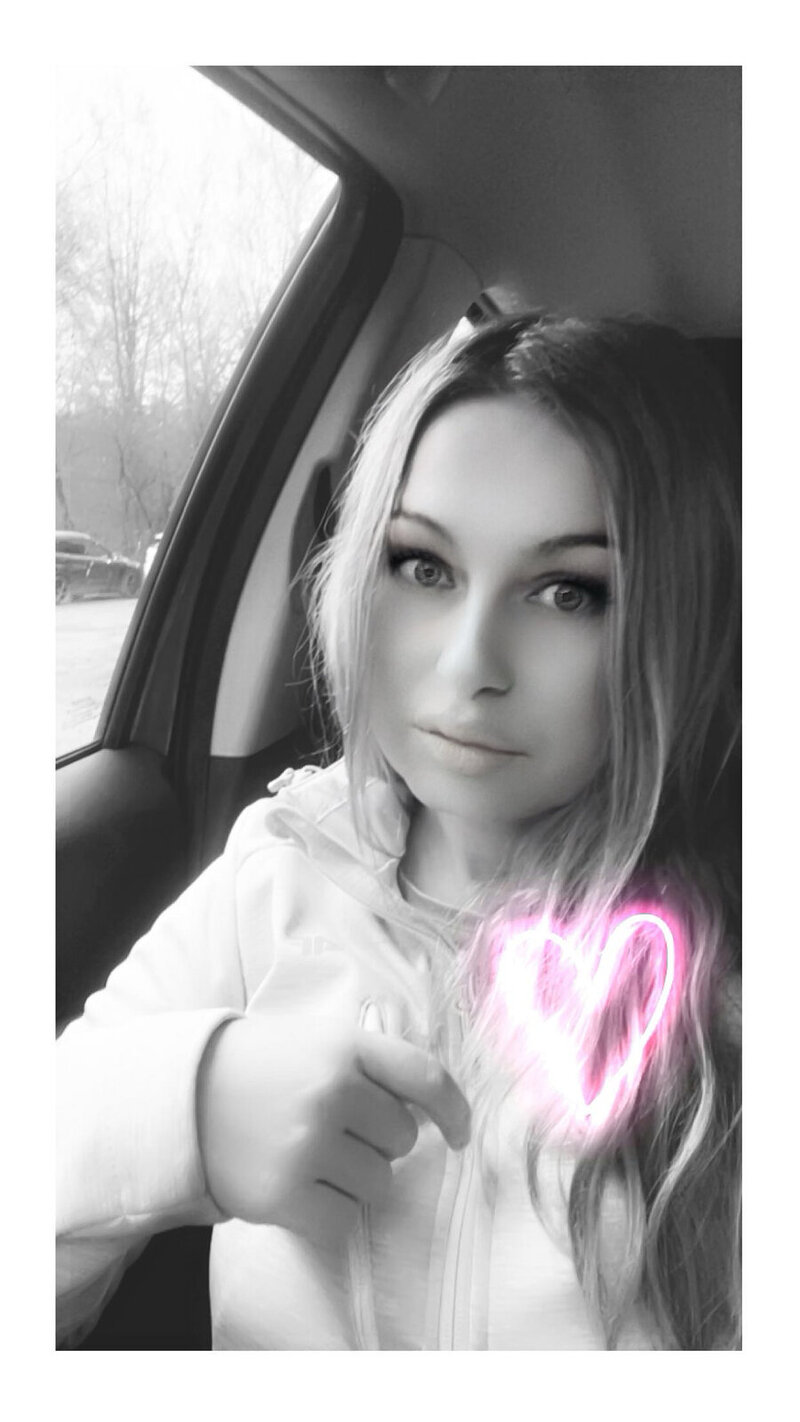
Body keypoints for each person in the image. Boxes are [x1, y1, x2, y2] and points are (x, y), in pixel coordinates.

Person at [56, 312, 741, 1351]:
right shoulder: (279, 872)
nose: (468, 664)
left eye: (570, 592)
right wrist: (187, 1106)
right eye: (423, 566)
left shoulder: (730, 970)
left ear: (676, 621)